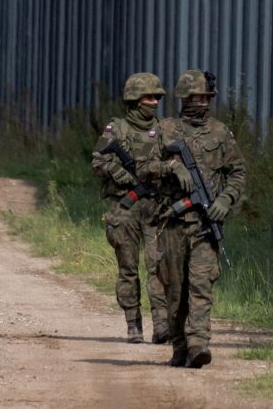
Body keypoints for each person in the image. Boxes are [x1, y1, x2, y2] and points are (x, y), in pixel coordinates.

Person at [156, 69, 246, 368]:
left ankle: (198, 343)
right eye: (196, 98)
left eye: (206, 98)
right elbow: (142, 166)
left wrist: (225, 199)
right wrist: (171, 167)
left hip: (205, 226)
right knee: (175, 288)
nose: (202, 103)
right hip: (172, 224)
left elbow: (237, 172)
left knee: (201, 284)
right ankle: (180, 346)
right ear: (183, 98)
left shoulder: (220, 133)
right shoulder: (165, 130)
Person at [90, 72, 189, 344]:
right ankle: (133, 324)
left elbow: (180, 162)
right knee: (128, 267)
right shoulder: (116, 129)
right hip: (124, 207)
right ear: (133, 100)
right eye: (148, 97)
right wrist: (121, 174)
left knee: (159, 267)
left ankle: (162, 326)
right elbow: (99, 161)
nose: (154, 101)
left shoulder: (165, 129)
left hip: (156, 206)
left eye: (157, 97)